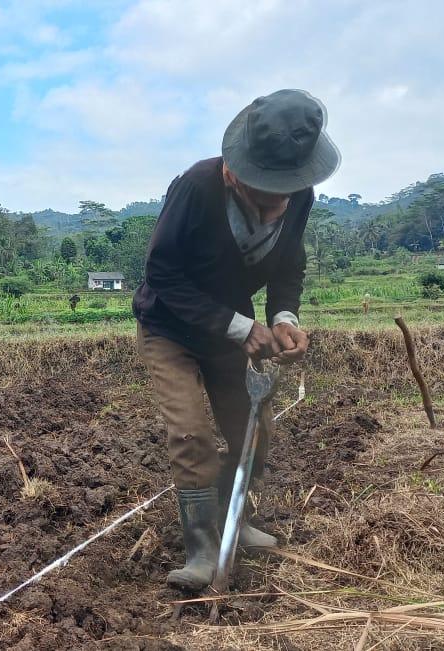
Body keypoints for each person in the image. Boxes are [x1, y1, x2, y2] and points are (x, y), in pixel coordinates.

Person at [132, 89, 340, 592]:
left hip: (232, 334)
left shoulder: (299, 194)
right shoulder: (198, 187)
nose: (275, 209)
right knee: (190, 434)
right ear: (233, 172)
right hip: (170, 329)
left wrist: (284, 316)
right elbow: (161, 271)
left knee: (254, 427)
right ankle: (202, 548)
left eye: (283, 195)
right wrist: (242, 327)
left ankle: (234, 518)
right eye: (263, 194)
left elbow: (289, 263)